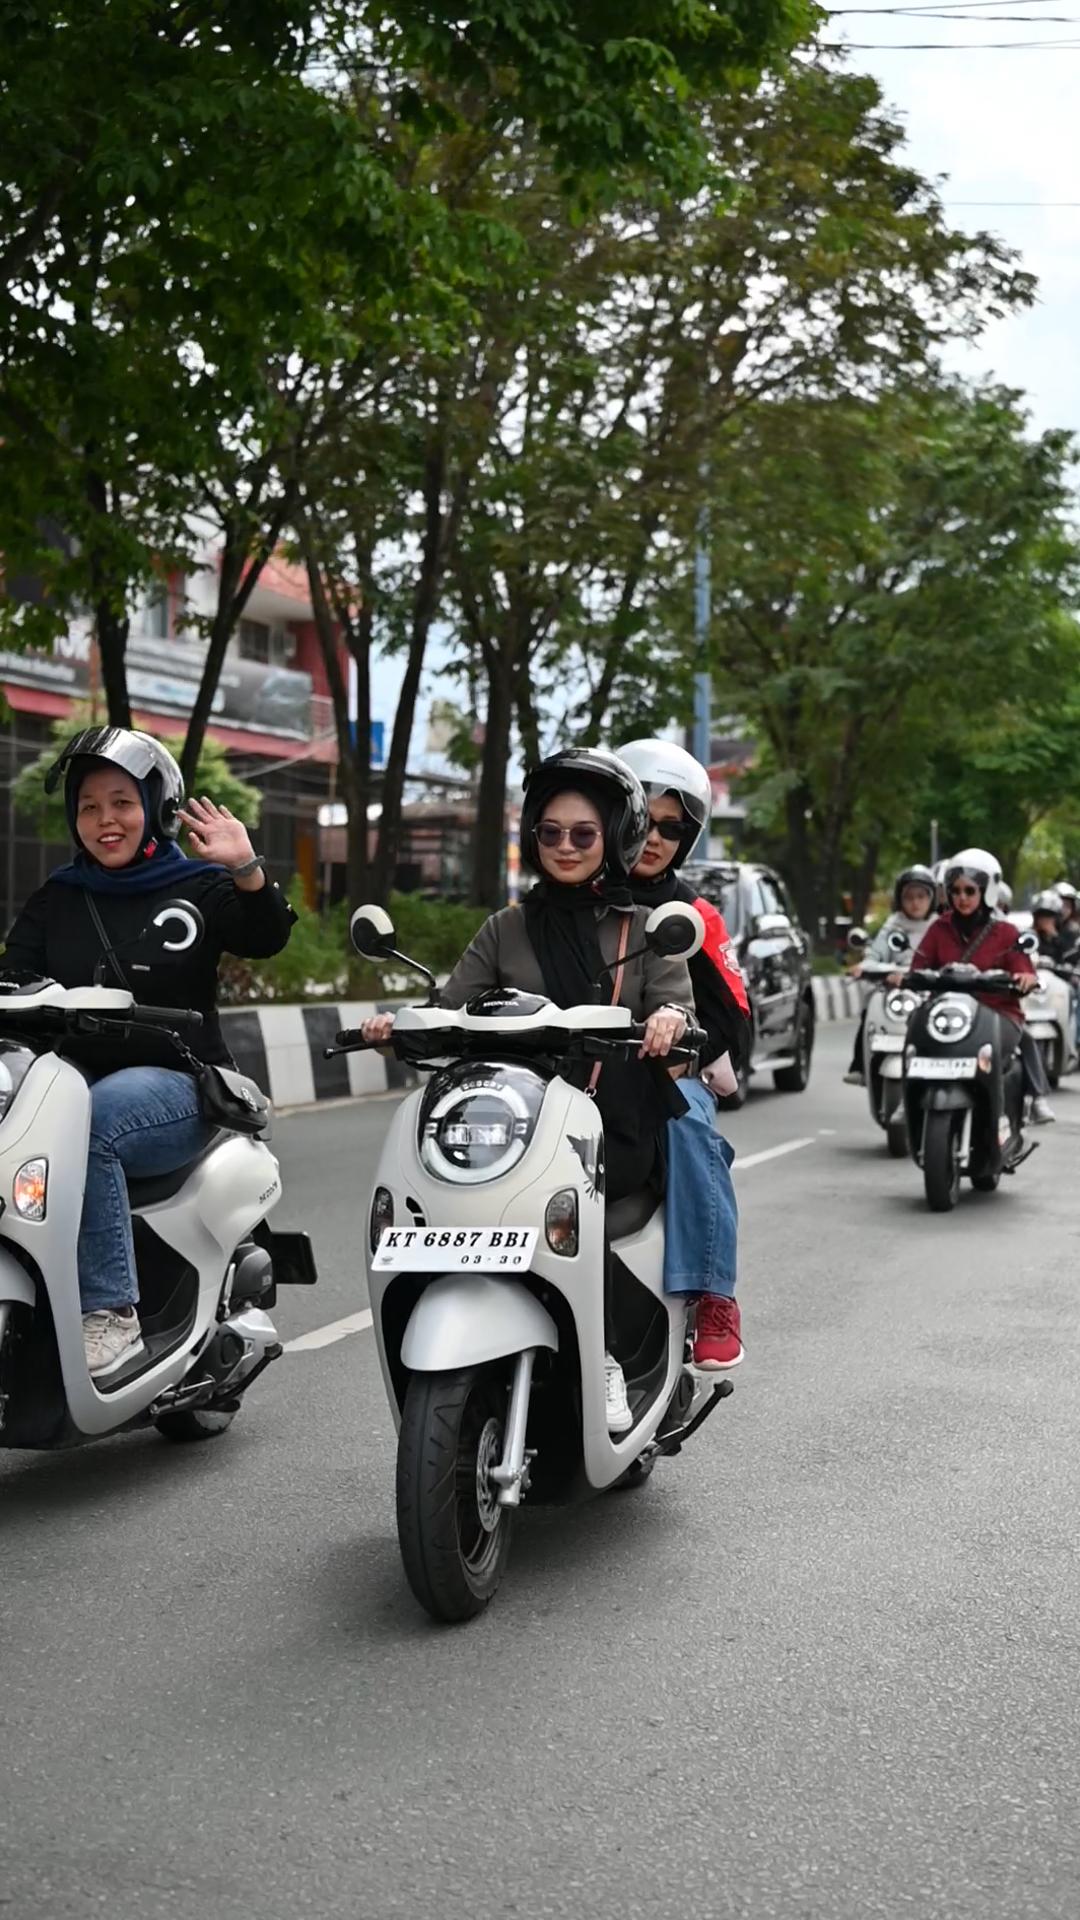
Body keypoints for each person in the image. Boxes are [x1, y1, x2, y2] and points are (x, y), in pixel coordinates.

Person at [360, 746, 698, 1433]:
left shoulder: (641, 929)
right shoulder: (506, 927)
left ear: (615, 838)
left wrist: (668, 1019)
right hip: (512, 1121)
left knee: (570, 1212)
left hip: (608, 1128)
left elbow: (677, 1008)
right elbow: (450, 1007)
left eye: (584, 833)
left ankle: (607, 1355)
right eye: (550, 832)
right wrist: (399, 1025)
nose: (565, 846)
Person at [1, 726, 295, 1376]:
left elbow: (267, 936)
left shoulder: (199, 884)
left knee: (92, 1125)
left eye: (122, 803)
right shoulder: (60, 895)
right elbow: (13, 975)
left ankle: (111, 1314)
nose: (105, 820)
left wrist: (245, 868)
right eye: (89, 806)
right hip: (64, 1081)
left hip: (177, 1081)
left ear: (156, 809)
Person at [617, 738, 750, 1371]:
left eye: (672, 828)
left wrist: (677, 1045)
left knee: (689, 1123)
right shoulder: (564, 897)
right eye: (644, 821)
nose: (655, 838)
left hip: (662, 1076)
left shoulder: (695, 914)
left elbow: (735, 1021)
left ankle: (713, 1294)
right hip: (568, 1073)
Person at [901, 847, 1051, 1123]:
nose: (962, 898)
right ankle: (906, 1098)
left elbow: (1022, 967)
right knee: (914, 1030)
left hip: (996, 1013)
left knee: (1005, 1048)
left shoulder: (1006, 931)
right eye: (956, 891)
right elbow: (918, 965)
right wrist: (905, 978)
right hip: (947, 1013)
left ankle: (1007, 1115)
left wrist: (1025, 978)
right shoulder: (939, 928)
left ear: (987, 891)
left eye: (970, 891)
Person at [843, 864, 937, 1087]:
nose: (915, 903)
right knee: (872, 1007)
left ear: (932, 899)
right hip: (897, 990)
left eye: (921, 896)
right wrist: (864, 967)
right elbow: (875, 955)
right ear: (899, 900)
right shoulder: (893, 926)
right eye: (909, 897)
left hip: (931, 990)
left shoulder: (940, 927)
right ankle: (860, 1065)